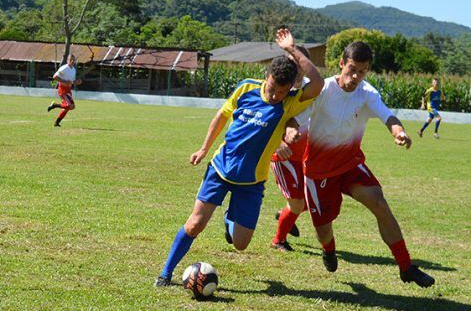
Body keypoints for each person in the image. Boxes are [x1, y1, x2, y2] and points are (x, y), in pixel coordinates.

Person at [154, 28, 323, 287]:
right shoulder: (246, 88)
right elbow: (221, 116)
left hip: (251, 182)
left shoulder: (290, 102)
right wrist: (203, 148)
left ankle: (228, 219)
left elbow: (318, 82)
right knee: (194, 225)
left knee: (241, 244)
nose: (275, 95)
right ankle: (165, 273)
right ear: (266, 76)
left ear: (290, 88)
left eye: (281, 91)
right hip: (220, 169)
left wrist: (291, 49)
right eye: (272, 88)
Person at [292, 41, 435, 287]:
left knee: (379, 202)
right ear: (341, 64)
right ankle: (329, 249)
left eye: (363, 70)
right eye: (352, 69)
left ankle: (406, 266)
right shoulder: (323, 90)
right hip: (318, 172)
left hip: (349, 165)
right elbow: (295, 120)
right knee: (323, 229)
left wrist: (398, 132)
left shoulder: (367, 93)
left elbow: (387, 115)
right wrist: (290, 133)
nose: (356, 76)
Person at [270, 45, 311, 252]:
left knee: (310, 202)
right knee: (297, 203)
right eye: (290, 61)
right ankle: (278, 240)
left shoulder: (312, 90)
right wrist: (279, 144)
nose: (293, 67)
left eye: (298, 62)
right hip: (283, 156)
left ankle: (284, 215)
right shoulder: (278, 90)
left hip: (306, 156)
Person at [47, 54, 82, 127]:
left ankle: (56, 123)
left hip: (68, 90)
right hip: (62, 89)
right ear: (67, 60)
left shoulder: (73, 69)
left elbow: (71, 81)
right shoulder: (64, 68)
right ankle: (54, 105)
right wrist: (64, 82)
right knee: (70, 106)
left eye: (73, 60)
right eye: (70, 60)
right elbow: (55, 77)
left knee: (68, 107)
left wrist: (76, 82)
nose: (72, 61)